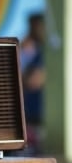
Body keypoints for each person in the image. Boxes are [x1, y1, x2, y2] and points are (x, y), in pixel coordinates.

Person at [21, 11, 46, 152]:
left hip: (39, 116)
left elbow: (34, 80)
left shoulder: (45, 53)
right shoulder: (27, 49)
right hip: (29, 115)